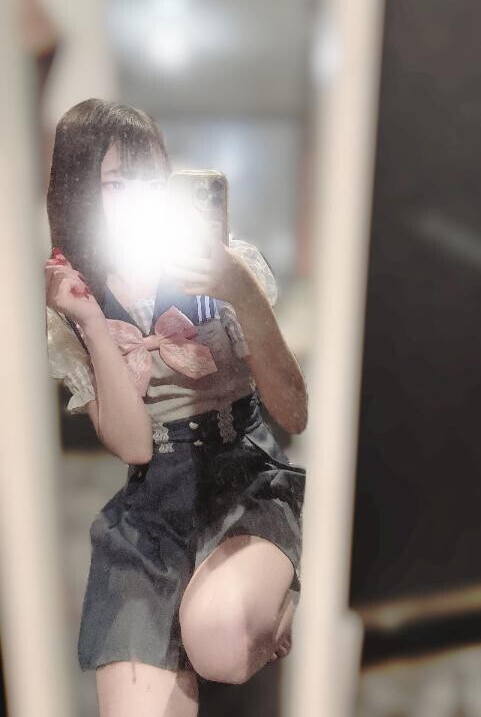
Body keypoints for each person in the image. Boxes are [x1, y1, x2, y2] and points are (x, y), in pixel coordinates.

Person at [45, 98, 307, 716]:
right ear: (81, 191)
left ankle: (274, 602)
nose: (136, 197)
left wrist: (239, 290)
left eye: (148, 178)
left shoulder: (221, 264)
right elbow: (135, 446)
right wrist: (90, 321)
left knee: (220, 641)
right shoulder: (78, 299)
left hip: (242, 476)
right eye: (116, 183)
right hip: (151, 506)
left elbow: (294, 413)